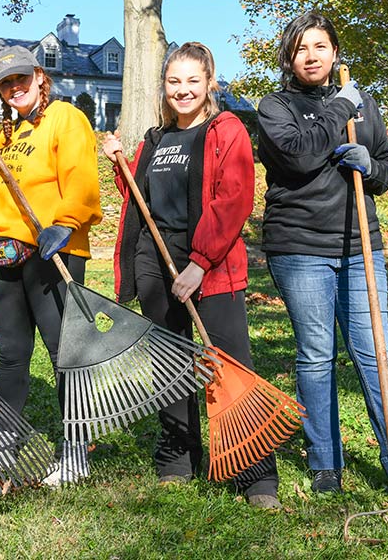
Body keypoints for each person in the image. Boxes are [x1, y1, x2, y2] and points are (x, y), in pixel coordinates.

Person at [257, 11, 388, 512]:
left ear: (334, 51)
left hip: (360, 246)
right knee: (317, 356)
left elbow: (386, 164)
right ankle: (325, 465)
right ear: (289, 58)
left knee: (377, 355)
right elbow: (297, 157)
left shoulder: (365, 105)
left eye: (320, 46)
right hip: (299, 247)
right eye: (301, 49)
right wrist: (341, 106)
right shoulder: (276, 106)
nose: (311, 56)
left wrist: (373, 167)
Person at [101, 42, 280, 509]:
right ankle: (177, 458)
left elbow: (234, 199)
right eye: (173, 81)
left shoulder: (226, 130)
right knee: (170, 366)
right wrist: (121, 163)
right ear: (164, 86)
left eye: (192, 81)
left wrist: (199, 264)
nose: (182, 90)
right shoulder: (155, 139)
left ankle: (256, 473)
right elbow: (140, 198)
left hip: (210, 267)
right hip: (155, 266)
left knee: (230, 362)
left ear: (209, 84)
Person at [0, 45, 102, 486]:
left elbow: (81, 175)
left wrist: (66, 223)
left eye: (22, 79)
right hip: (5, 254)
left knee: (65, 356)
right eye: (6, 82)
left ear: (40, 77)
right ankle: (4, 446)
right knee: (11, 355)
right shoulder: (5, 134)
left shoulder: (64, 118)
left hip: (52, 251)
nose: (14, 88)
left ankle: (75, 451)